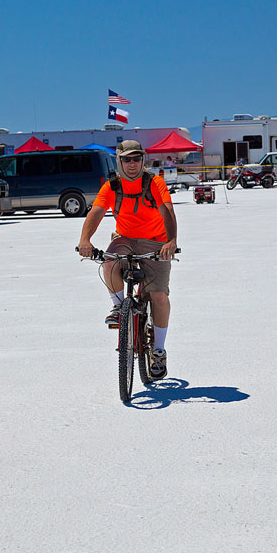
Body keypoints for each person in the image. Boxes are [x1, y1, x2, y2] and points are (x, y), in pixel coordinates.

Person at [77, 140, 178, 379]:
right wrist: (85, 240)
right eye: (126, 159)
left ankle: (159, 350)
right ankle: (119, 307)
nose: (132, 164)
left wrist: (171, 241)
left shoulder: (154, 183)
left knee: (159, 295)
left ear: (142, 160)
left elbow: (167, 211)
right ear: (119, 161)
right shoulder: (112, 186)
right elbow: (96, 212)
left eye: (136, 159)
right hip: (125, 239)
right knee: (109, 260)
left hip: (156, 241)